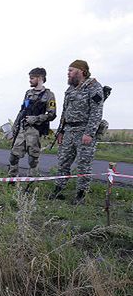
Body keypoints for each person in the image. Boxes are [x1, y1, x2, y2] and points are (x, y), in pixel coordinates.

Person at [50, 60, 104, 204]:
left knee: (83, 164)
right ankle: (58, 190)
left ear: (82, 71)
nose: (68, 73)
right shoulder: (70, 90)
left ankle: (81, 194)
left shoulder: (94, 87)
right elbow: (65, 112)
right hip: (68, 131)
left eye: (71, 70)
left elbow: (96, 112)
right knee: (63, 162)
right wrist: (60, 131)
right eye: (68, 70)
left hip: (83, 132)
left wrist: (89, 133)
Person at [8, 67, 57, 178]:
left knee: (32, 159)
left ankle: (31, 180)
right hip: (23, 128)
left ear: (40, 78)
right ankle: (12, 178)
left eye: (32, 78)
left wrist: (36, 119)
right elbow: (22, 110)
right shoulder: (28, 93)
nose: (30, 80)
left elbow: (52, 114)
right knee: (13, 155)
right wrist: (15, 125)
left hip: (36, 131)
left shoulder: (49, 95)